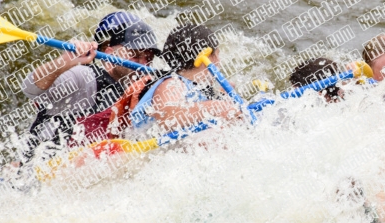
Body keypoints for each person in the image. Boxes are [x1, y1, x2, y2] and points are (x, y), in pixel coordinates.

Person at [22, 12, 160, 151]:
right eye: (135, 55)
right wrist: (64, 61)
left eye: (148, 58)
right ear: (109, 53)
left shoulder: (144, 92)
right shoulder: (85, 77)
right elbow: (30, 88)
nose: (143, 64)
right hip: (45, 165)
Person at [130, 24, 243, 131]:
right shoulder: (172, 84)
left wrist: (221, 98)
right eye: (217, 55)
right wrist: (217, 107)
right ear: (206, 57)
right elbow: (167, 118)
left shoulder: (197, 89)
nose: (219, 62)